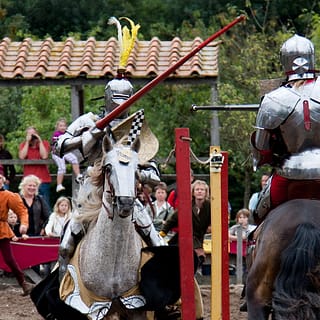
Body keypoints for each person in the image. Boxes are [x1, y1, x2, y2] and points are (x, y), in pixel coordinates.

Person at [53, 17, 164, 279]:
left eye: (126, 101)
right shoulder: (89, 121)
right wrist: (88, 137)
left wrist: (140, 174)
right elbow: (58, 145)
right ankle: (63, 294)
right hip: (93, 191)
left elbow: (154, 170)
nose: (121, 106)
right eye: (118, 101)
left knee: (158, 244)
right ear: (107, 98)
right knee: (66, 244)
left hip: (126, 191)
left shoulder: (136, 128)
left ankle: (164, 301)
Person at [251, 34, 320, 223]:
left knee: (258, 214)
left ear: (285, 62)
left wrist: (262, 160)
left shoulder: (273, 99)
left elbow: (261, 147)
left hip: (290, 174)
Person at [160, 179, 211, 265]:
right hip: (184, 238)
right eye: (197, 189)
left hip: (198, 238)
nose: (199, 192)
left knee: (198, 258)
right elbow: (173, 219)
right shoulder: (186, 204)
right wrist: (163, 232)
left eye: (202, 190)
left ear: (206, 192)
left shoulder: (210, 206)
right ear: (193, 192)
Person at [0, 174, 34, 296]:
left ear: (3, 182)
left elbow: (22, 210)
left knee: (9, 259)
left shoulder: (8, 196)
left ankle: (23, 283)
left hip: (2, 230)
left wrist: (24, 223)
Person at [18, 126, 52, 208]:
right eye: (29, 134)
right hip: (27, 180)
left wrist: (39, 141)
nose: (32, 136)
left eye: (33, 134)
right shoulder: (23, 145)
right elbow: (22, 156)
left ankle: (46, 221)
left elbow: (44, 156)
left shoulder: (44, 143)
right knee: (25, 205)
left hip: (43, 179)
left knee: (45, 205)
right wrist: (27, 141)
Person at [51, 118, 83, 192]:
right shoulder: (56, 134)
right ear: (57, 127)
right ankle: (59, 185)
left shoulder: (67, 134)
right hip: (57, 152)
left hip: (65, 151)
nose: (62, 127)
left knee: (74, 159)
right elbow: (57, 144)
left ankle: (78, 175)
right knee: (62, 167)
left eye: (64, 126)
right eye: (60, 126)